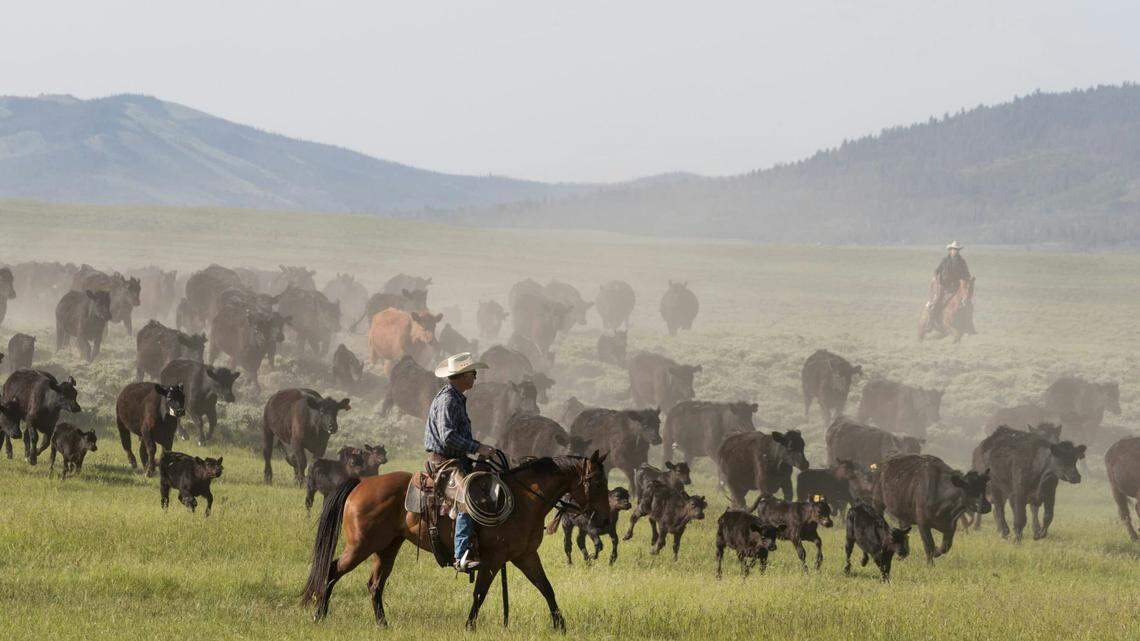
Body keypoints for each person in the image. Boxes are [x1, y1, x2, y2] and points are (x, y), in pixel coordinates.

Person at [424, 352, 496, 572]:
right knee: (467, 497)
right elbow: (447, 436)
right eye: (473, 373)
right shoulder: (448, 400)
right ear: (462, 375)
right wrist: (477, 448)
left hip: (456, 458)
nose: (475, 377)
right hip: (445, 462)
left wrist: (478, 449)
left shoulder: (455, 397)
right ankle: (461, 555)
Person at [926, 241, 971, 332]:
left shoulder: (962, 262)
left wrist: (966, 280)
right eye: (954, 249)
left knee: (966, 304)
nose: (955, 251)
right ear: (950, 250)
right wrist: (935, 278)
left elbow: (967, 274)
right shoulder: (944, 260)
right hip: (944, 285)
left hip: (956, 287)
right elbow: (937, 270)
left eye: (957, 249)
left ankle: (968, 326)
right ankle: (930, 323)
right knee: (936, 302)